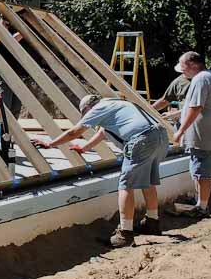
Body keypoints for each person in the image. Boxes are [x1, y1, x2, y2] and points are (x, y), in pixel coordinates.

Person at [33, 94, 168, 248]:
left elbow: (75, 132)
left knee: (126, 186)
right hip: (160, 136)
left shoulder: (98, 108)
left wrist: (51, 144)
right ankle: (152, 222)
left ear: (88, 108)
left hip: (142, 139)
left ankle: (125, 234)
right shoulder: (117, 104)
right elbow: (103, 132)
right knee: (147, 181)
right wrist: (85, 148)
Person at [171, 51, 211, 217]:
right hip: (208, 135)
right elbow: (196, 106)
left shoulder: (200, 79)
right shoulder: (209, 76)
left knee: (202, 172)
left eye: (183, 67)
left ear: (193, 65)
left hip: (203, 136)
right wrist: (177, 114)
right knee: (202, 171)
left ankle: (201, 208)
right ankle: (200, 203)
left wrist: (180, 130)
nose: (182, 72)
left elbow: (196, 108)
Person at [0, 19, 25, 120]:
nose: (6, 26)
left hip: (15, 75)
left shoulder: (11, 39)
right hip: (3, 75)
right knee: (5, 106)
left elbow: (20, 35)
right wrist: (1, 25)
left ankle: (12, 132)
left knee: (16, 106)